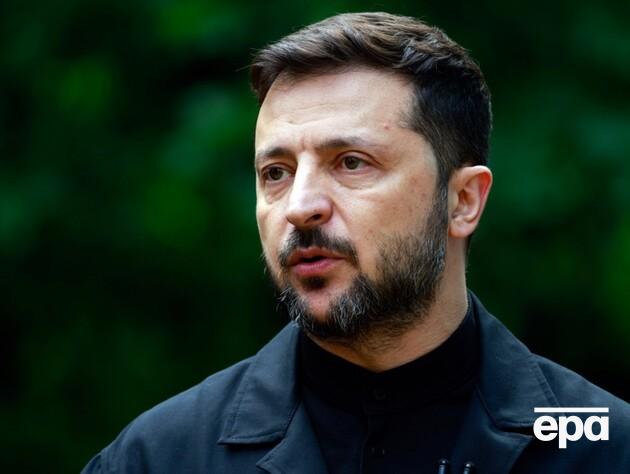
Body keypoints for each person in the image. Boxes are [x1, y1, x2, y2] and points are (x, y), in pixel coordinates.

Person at [82, 12, 630, 474]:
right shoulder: (160, 457)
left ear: (462, 201)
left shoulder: (605, 450)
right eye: (276, 172)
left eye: (351, 163)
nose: (299, 206)